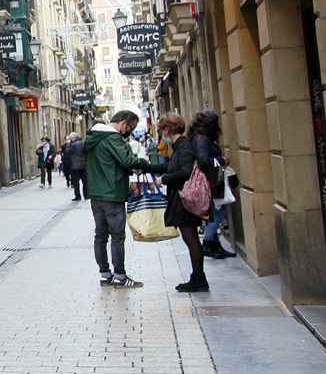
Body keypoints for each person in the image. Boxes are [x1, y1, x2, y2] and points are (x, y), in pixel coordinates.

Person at [85, 109, 160, 288]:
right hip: (113, 193)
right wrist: (144, 163)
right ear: (124, 123)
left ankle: (105, 274)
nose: (129, 132)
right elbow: (128, 161)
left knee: (100, 235)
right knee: (117, 236)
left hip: (96, 194)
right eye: (130, 127)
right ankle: (120, 276)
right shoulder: (113, 138)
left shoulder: (92, 138)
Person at [156, 114, 213, 292]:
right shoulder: (179, 146)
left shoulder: (184, 147)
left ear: (168, 129)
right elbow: (171, 167)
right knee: (190, 240)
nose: (161, 134)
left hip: (184, 200)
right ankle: (197, 277)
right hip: (181, 199)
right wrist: (146, 167)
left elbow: (185, 171)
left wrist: (164, 179)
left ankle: (198, 279)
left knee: (192, 240)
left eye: (162, 130)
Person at [190, 110, 235, 259]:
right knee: (218, 212)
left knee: (215, 211)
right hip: (210, 182)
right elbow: (203, 161)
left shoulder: (200, 137)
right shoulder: (202, 139)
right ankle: (208, 243)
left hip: (211, 181)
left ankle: (216, 246)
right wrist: (221, 161)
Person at [62, 131, 88, 201]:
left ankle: (78, 196)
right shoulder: (83, 143)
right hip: (84, 166)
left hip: (75, 166)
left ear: (73, 138)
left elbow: (67, 152)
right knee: (85, 182)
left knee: (76, 183)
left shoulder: (71, 145)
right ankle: (86, 195)